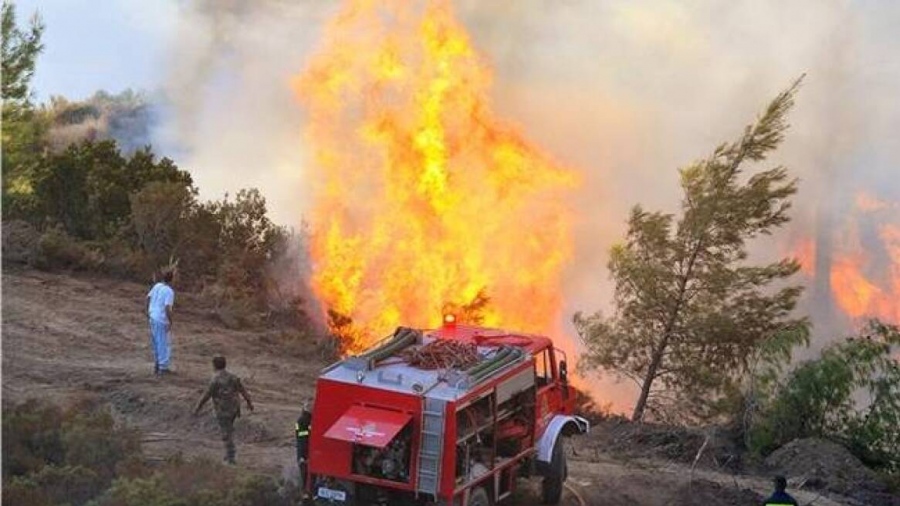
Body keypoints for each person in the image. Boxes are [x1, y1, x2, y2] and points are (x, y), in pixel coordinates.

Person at [194, 356, 254, 464]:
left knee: (226, 433)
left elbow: (206, 395)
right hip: (234, 408)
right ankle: (228, 455)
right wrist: (249, 403)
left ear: (214, 365)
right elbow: (243, 390)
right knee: (229, 430)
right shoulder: (233, 377)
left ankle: (231, 458)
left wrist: (198, 408)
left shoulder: (215, 380)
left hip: (223, 410)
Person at [146, 268, 175, 375]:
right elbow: (167, 308)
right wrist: (170, 321)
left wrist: (148, 311)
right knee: (163, 342)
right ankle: (163, 367)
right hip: (160, 319)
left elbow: (148, 298)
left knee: (156, 341)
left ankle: (158, 363)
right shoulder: (169, 291)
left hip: (153, 316)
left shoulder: (157, 286)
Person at [295, 402, 312, 492]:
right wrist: (302, 456)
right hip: (305, 454)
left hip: (308, 453)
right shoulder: (303, 420)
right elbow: (301, 439)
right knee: (306, 478)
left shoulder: (308, 419)